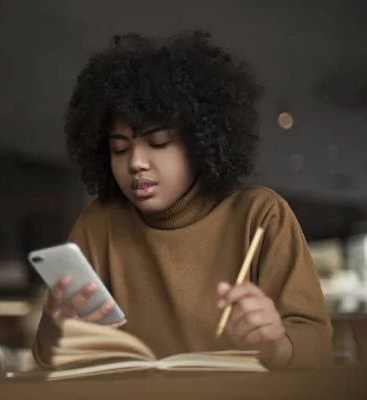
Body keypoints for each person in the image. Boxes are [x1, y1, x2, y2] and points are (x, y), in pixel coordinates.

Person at [32, 30, 333, 370]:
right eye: (119, 148)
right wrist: (54, 329)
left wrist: (275, 345)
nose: (135, 162)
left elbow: (317, 349)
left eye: (158, 142)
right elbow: (51, 360)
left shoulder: (260, 215)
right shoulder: (99, 223)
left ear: (201, 141)